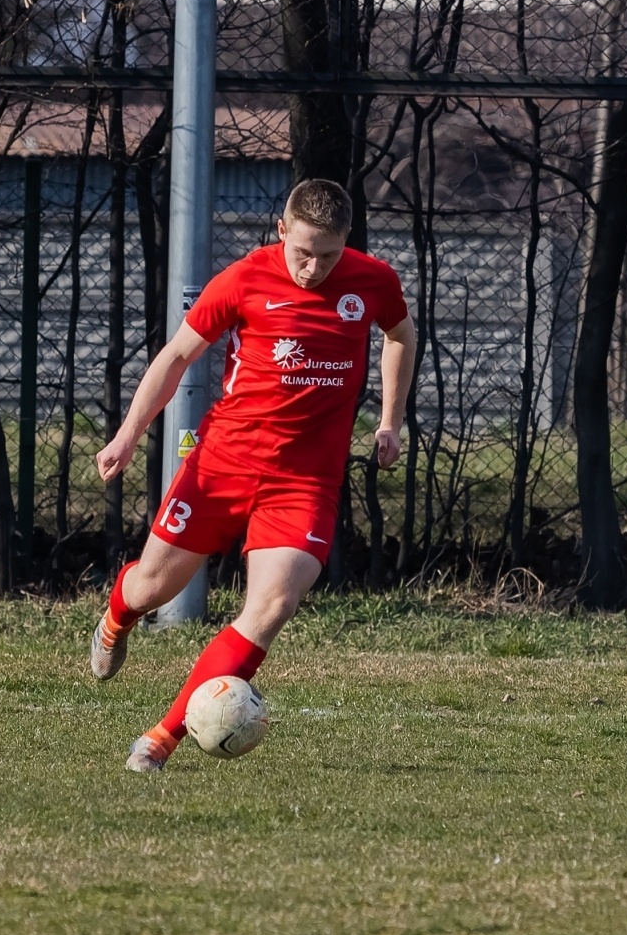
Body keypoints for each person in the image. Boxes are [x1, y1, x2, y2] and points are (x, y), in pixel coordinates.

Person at [90, 179, 416, 773]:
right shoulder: (243, 279)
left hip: (305, 483)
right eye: (303, 252)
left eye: (329, 254)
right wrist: (128, 434)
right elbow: (176, 356)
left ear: (348, 243)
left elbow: (400, 334)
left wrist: (390, 420)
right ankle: (118, 614)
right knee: (151, 589)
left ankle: (161, 738)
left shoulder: (374, 280)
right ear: (282, 231)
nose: (315, 267)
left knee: (270, 607)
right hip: (223, 465)